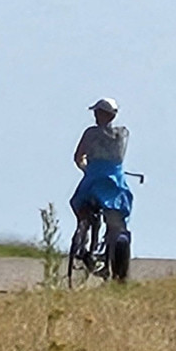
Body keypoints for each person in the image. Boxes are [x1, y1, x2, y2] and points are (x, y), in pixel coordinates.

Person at [69, 97, 133, 271]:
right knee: (116, 220)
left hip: (93, 178)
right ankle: (109, 254)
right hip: (114, 181)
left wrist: (87, 169)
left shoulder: (90, 133)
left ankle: (83, 237)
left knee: (79, 204)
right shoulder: (121, 134)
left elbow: (78, 156)